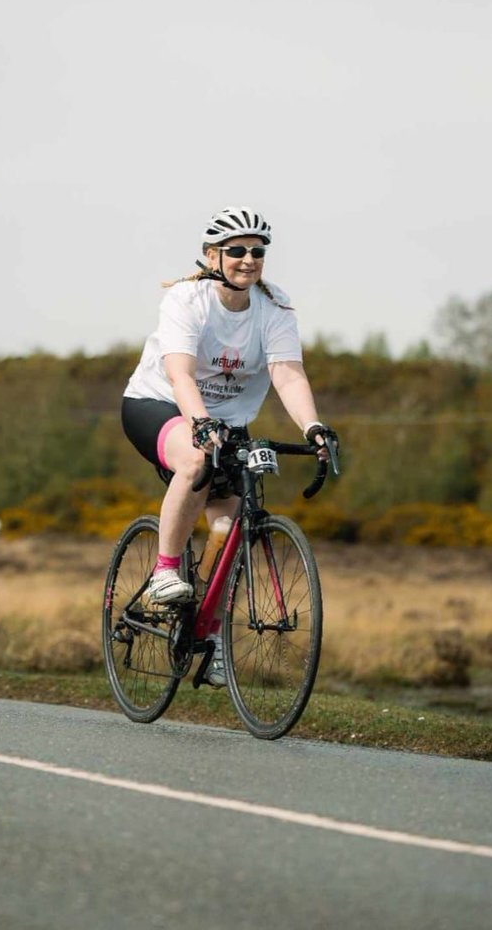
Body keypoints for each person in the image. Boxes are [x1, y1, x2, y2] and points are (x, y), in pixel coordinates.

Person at [121, 205, 338, 687]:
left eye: (257, 252)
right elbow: (179, 370)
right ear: (211, 256)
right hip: (158, 404)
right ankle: (165, 571)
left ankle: (211, 634)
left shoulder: (274, 307)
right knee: (197, 462)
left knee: (228, 525)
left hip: (227, 420)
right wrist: (198, 422)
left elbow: (287, 372)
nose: (248, 259)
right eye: (236, 250)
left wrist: (312, 426)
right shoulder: (188, 299)